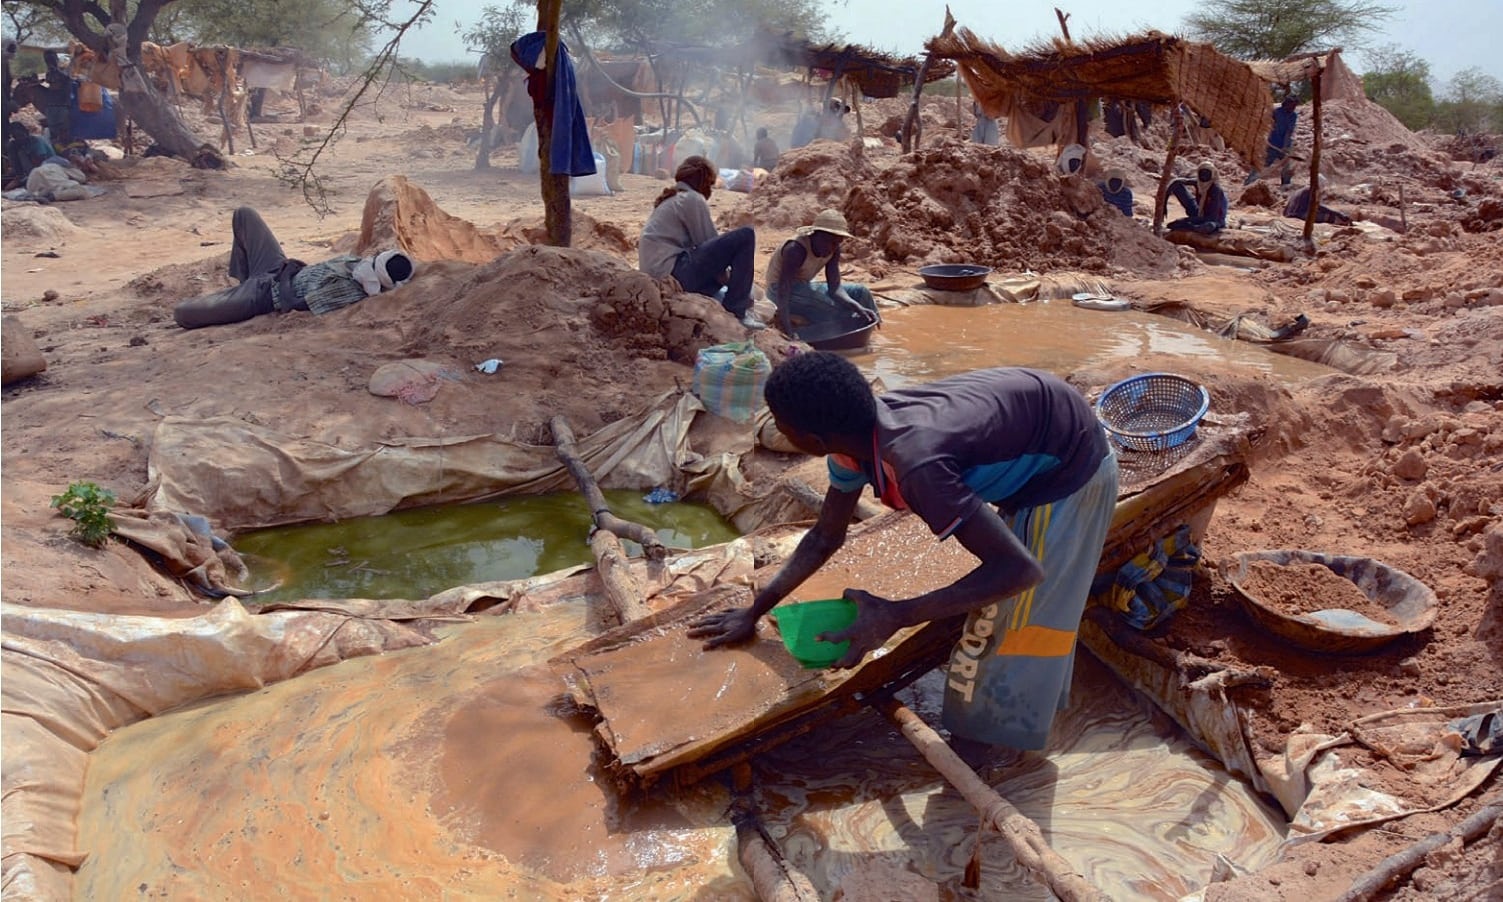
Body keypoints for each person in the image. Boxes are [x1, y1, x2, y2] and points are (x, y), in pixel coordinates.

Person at [688, 352, 1119, 761]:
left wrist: (897, 614)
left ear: (814, 439)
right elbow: (824, 537)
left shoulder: (916, 464)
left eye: (783, 427)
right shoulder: (853, 440)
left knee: (1017, 623)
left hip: (1067, 468)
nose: (780, 432)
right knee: (1002, 610)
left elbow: (1020, 570)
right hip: (1034, 423)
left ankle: (989, 750)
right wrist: (755, 611)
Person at [174, 207, 415, 329]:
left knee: (183, 314)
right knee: (244, 214)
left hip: (265, 296)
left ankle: (237, 297)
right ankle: (240, 288)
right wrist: (293, 268)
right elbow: (314, 276)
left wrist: (287, 275)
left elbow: (294, 305)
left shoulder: (350, 290)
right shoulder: (358, 265)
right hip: (276, 268)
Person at [636, 154, 761, 330]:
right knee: (746, 235)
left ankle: (732, 302)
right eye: (710, 184)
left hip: (662, 277)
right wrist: (743, 291)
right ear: (703, 182)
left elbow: (705, 249)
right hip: (673, 273)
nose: (710, 190)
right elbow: (711, 245)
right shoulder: (692, 199)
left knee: (724, 281)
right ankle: (737, 311)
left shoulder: (674, 199)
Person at [764, 208, 875, 336]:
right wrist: (787, 327)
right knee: (831, 310)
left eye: (837, 243)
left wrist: (856, 306)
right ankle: (837, 336)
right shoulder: (796, 249)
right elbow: (783, 291)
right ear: (816, 234)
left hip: (805, 287)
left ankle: (868, 330)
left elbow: (835, 288)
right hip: (778, 291)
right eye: (830, 242)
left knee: (861, 293)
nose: (833, 247)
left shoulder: (834, 249)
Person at [1248, 94, 1298, 186]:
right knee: (1262, 164)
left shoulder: (1293, 116)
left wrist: (1285, 147)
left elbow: (1289, 132)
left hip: (1285, 146)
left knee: (1287, 167)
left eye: (1295, 106)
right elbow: (1265, 123)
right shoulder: (1276, 112)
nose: (1294, 108)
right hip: (1272, 144)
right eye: (1292, 105)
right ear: (1287, 104)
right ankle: (1249, 182)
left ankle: (1285, 185)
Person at [1167, 161, 1229, 235]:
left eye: (1207, 173)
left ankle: (1191, 227)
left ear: (1212, 174)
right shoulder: (1198, 183)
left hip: (1214, 220)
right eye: (1202, 172)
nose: (1204, 175)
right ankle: (1192, 226)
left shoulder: (1216, 190)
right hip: (1199, 212)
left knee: (1208, 226)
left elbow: (1212, 217)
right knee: (1177, 186)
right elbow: (1176, 182)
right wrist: (1164, 203)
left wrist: (1186, 221)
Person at [5, 120, 58, 188]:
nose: (19, 139)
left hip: (48, 169)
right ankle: (20, 177)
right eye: (16, 137)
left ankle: (23, 179)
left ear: (26, 132)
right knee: (12, 146)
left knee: (21, 153)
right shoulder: (17, 144)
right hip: (32, 172)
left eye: (20, 135)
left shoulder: (37, 141)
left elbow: (40, 162)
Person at [1283, 175, 1353, 226]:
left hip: (1289, 213)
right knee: (1328, 216)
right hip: (1296, 215)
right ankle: (1342, 223)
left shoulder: (1303, 190)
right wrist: (1338, 214)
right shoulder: (1310, 190)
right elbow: (1318, 206)